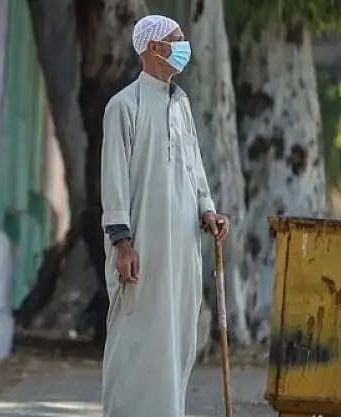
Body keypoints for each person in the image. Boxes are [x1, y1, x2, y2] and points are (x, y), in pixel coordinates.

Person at [100, 15, 230, 417]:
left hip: (182, 248)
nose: (184, 47)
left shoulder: (182, 104)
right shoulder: (123, 106)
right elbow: (114, 180)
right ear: (154, 48)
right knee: (136, 337)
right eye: (177, 40)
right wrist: (123, 244)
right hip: (142, 247)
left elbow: (194, 166)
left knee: (177, 337)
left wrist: (208, 209)